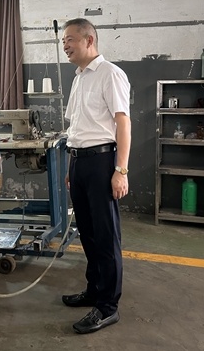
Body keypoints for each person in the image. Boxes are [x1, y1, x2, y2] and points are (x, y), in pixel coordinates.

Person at [61, 18, 131, 334]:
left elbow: (123, 124)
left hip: (102, 163)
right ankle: (94, 290)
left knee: (105, 235)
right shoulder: (78, 78)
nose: (65, 45)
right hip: (79, 163)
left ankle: (107, 307)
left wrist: (121, 170)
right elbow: (76, 128)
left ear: (89, 40)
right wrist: (70, 168)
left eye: (70, 39)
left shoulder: (110, 74)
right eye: (63, 41)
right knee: (87, 233)